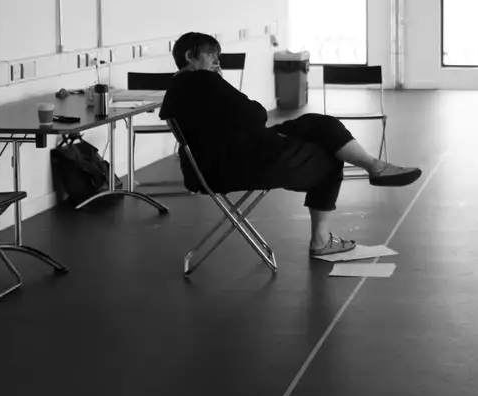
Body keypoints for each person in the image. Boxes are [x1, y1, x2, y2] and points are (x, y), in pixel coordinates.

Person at [159, 32, 421, 257]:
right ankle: (322, 239)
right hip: (238, 163)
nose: (217, 61)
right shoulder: (205, 83)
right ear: (190, 57)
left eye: (218, 55)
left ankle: (375, 167)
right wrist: (230, 92)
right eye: (211, 55)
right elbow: (256, 115)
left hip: (214, 164)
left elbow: (240, 120)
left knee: (317, 123)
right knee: (330, 158)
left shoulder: (179, 88)